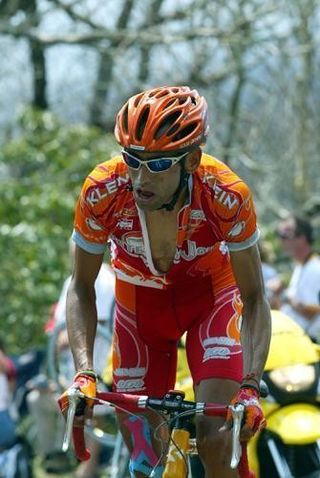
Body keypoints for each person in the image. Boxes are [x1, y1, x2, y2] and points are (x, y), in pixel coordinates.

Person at [58, 86, 271, 478]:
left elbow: (255, 297)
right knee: (145, 459)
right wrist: (85, 373)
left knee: (215, 438)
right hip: (140, 310)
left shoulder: (227, 194)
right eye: (132, 159)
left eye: (156, 165)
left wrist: (251, 386)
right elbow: (81, 287)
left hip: (211, 301)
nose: (139, 177)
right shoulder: (102, 190)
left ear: (191, 160)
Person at [27, 241, 115, 477]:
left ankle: (88, 467)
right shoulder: (72, 280)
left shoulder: (104, 280)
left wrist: (64, 339)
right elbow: (55, 330)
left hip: (97, 369)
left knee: (91, 411)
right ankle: (55, 456)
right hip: (66, 371)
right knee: (37, 399)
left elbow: (97, 324)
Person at [277, 215, 320, 342]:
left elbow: (313, 311)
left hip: (311, 343)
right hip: (298, 341)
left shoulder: (315, 268)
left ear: (302, 238)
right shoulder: (301, 266)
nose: (281, 239)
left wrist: (284, 296)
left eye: (286, 233)